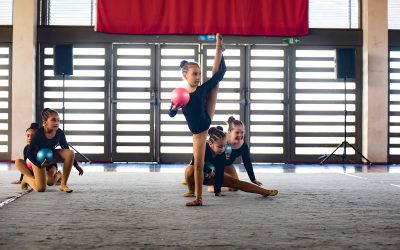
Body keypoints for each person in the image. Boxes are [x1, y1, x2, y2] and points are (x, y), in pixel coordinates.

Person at [169, 34, 226, 206]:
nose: (198, 76)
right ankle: (192, 190)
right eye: (195, 74)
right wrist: (174, 107)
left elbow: (220, 74)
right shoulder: (180, 94)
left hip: (202, 128)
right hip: (198, 125)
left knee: (199, 165)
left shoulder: (201, 90)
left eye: (200, 73)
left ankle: (198, 199)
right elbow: (171, 114)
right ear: (185, 75)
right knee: (194, 165)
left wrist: (221, 54)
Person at [183, 126, 278, 198]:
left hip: (210, 177)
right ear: (210, 144)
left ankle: (265, 192)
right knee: (189, 169)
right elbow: (196, 163)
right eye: (220, 146)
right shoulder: (203, 148)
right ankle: (191, 190)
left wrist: (218, 191)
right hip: (197, 173)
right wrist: (208, 171)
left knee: (235, 182)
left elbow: (219, 172)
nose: (223, 149)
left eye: (224, 146)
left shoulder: (221, 153)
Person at [21, 108, 83, 193]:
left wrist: (76, 165)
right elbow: (29, 153)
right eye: (53, 120)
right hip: (38, 158)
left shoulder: (59, 133)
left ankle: (63, 184)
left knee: (69, 153)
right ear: (45, 122)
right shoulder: (39, 133)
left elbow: (65, 147)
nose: (57, 122)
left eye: (58, 120)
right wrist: (39, 164)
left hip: (51, 155)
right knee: (40, 188)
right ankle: (26, 178)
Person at [209, 116, 262, 192]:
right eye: (237, 132)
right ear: (229, 132)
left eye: (242, 132)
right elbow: (208, 153)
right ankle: (213, 183)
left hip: (227, 165)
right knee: (214, 188)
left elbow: (247, 162)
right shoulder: (221, 139)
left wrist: (253, 179)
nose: (240, 135)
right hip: (213, 166)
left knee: (235, 187)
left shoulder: (243, 146)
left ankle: (223, 181)